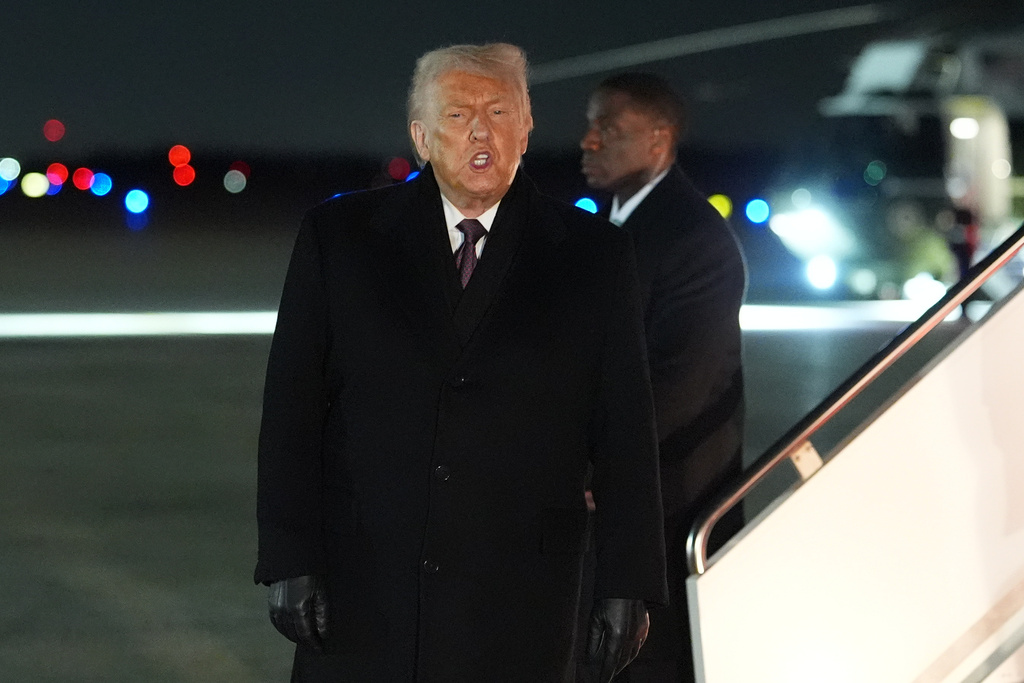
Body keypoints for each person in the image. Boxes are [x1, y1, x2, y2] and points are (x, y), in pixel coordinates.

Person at [255, 44, 668, 683]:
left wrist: (628, 582)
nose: (481, 130)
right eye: (457, 115)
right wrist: (288, 557)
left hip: (521, 602)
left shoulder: (594, 257)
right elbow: (291, 410)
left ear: (526, 130)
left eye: (500, 111)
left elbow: (625, 432)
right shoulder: (340, 239)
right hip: (365, 592)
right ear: (421, 138)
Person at [578, 72, 746, 683]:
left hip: (666, 501)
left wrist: (597, 468)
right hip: (613, 503)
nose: (588, 142)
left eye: (609, 130)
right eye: (590, 127)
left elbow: (682, 384)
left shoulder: (694, 239)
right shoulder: (609, 231)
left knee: (649, 664)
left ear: (658, 140)